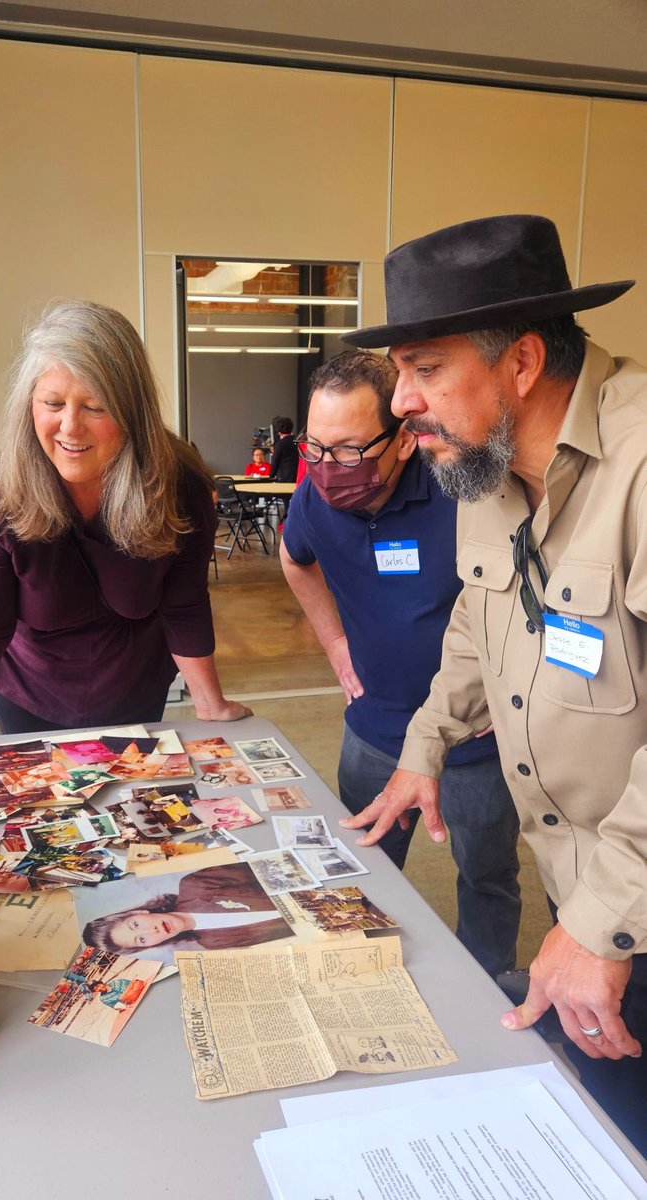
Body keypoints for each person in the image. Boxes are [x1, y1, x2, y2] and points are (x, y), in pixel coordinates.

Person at [341, 213, 647, 1152]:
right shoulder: (487, 469)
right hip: (584, 883)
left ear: (519, 362)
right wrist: (424, 748)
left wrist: (600, 923)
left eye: (424, 368)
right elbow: (480, 623)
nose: (399, 402)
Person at [0, 300, 249, 783]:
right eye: (53, 404)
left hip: (137, 688)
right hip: (30, 694)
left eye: (96, 407)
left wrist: (210, 704)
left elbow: (183, 604)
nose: (70, 427)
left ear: (133, 412)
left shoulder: (177, 483)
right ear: (29, 403)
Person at [280, 350, 520, 978]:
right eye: (316, 448)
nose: (330, 469)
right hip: (376, 730)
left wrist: (506, 687)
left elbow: (525, 596)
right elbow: (292, 558)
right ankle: (357, 980)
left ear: (406, 439)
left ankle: (490, 985)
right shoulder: (314, 494)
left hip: (475, 740)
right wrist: (334, 643)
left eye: (352, 450)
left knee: (488, 875)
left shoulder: (465, 495)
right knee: (363, 865)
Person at [81, 862, 292, 956]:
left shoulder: (195, 885)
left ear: (139, 913)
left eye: (135, 925)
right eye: (141, 940)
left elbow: (272, 867)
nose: (150, 931)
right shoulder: (212, 942)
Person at [269, 415, 298, 482]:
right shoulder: (296, 441)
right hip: (297, 475)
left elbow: (276, 461)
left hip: (284, 476)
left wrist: (271, 475)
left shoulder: (280, 444)